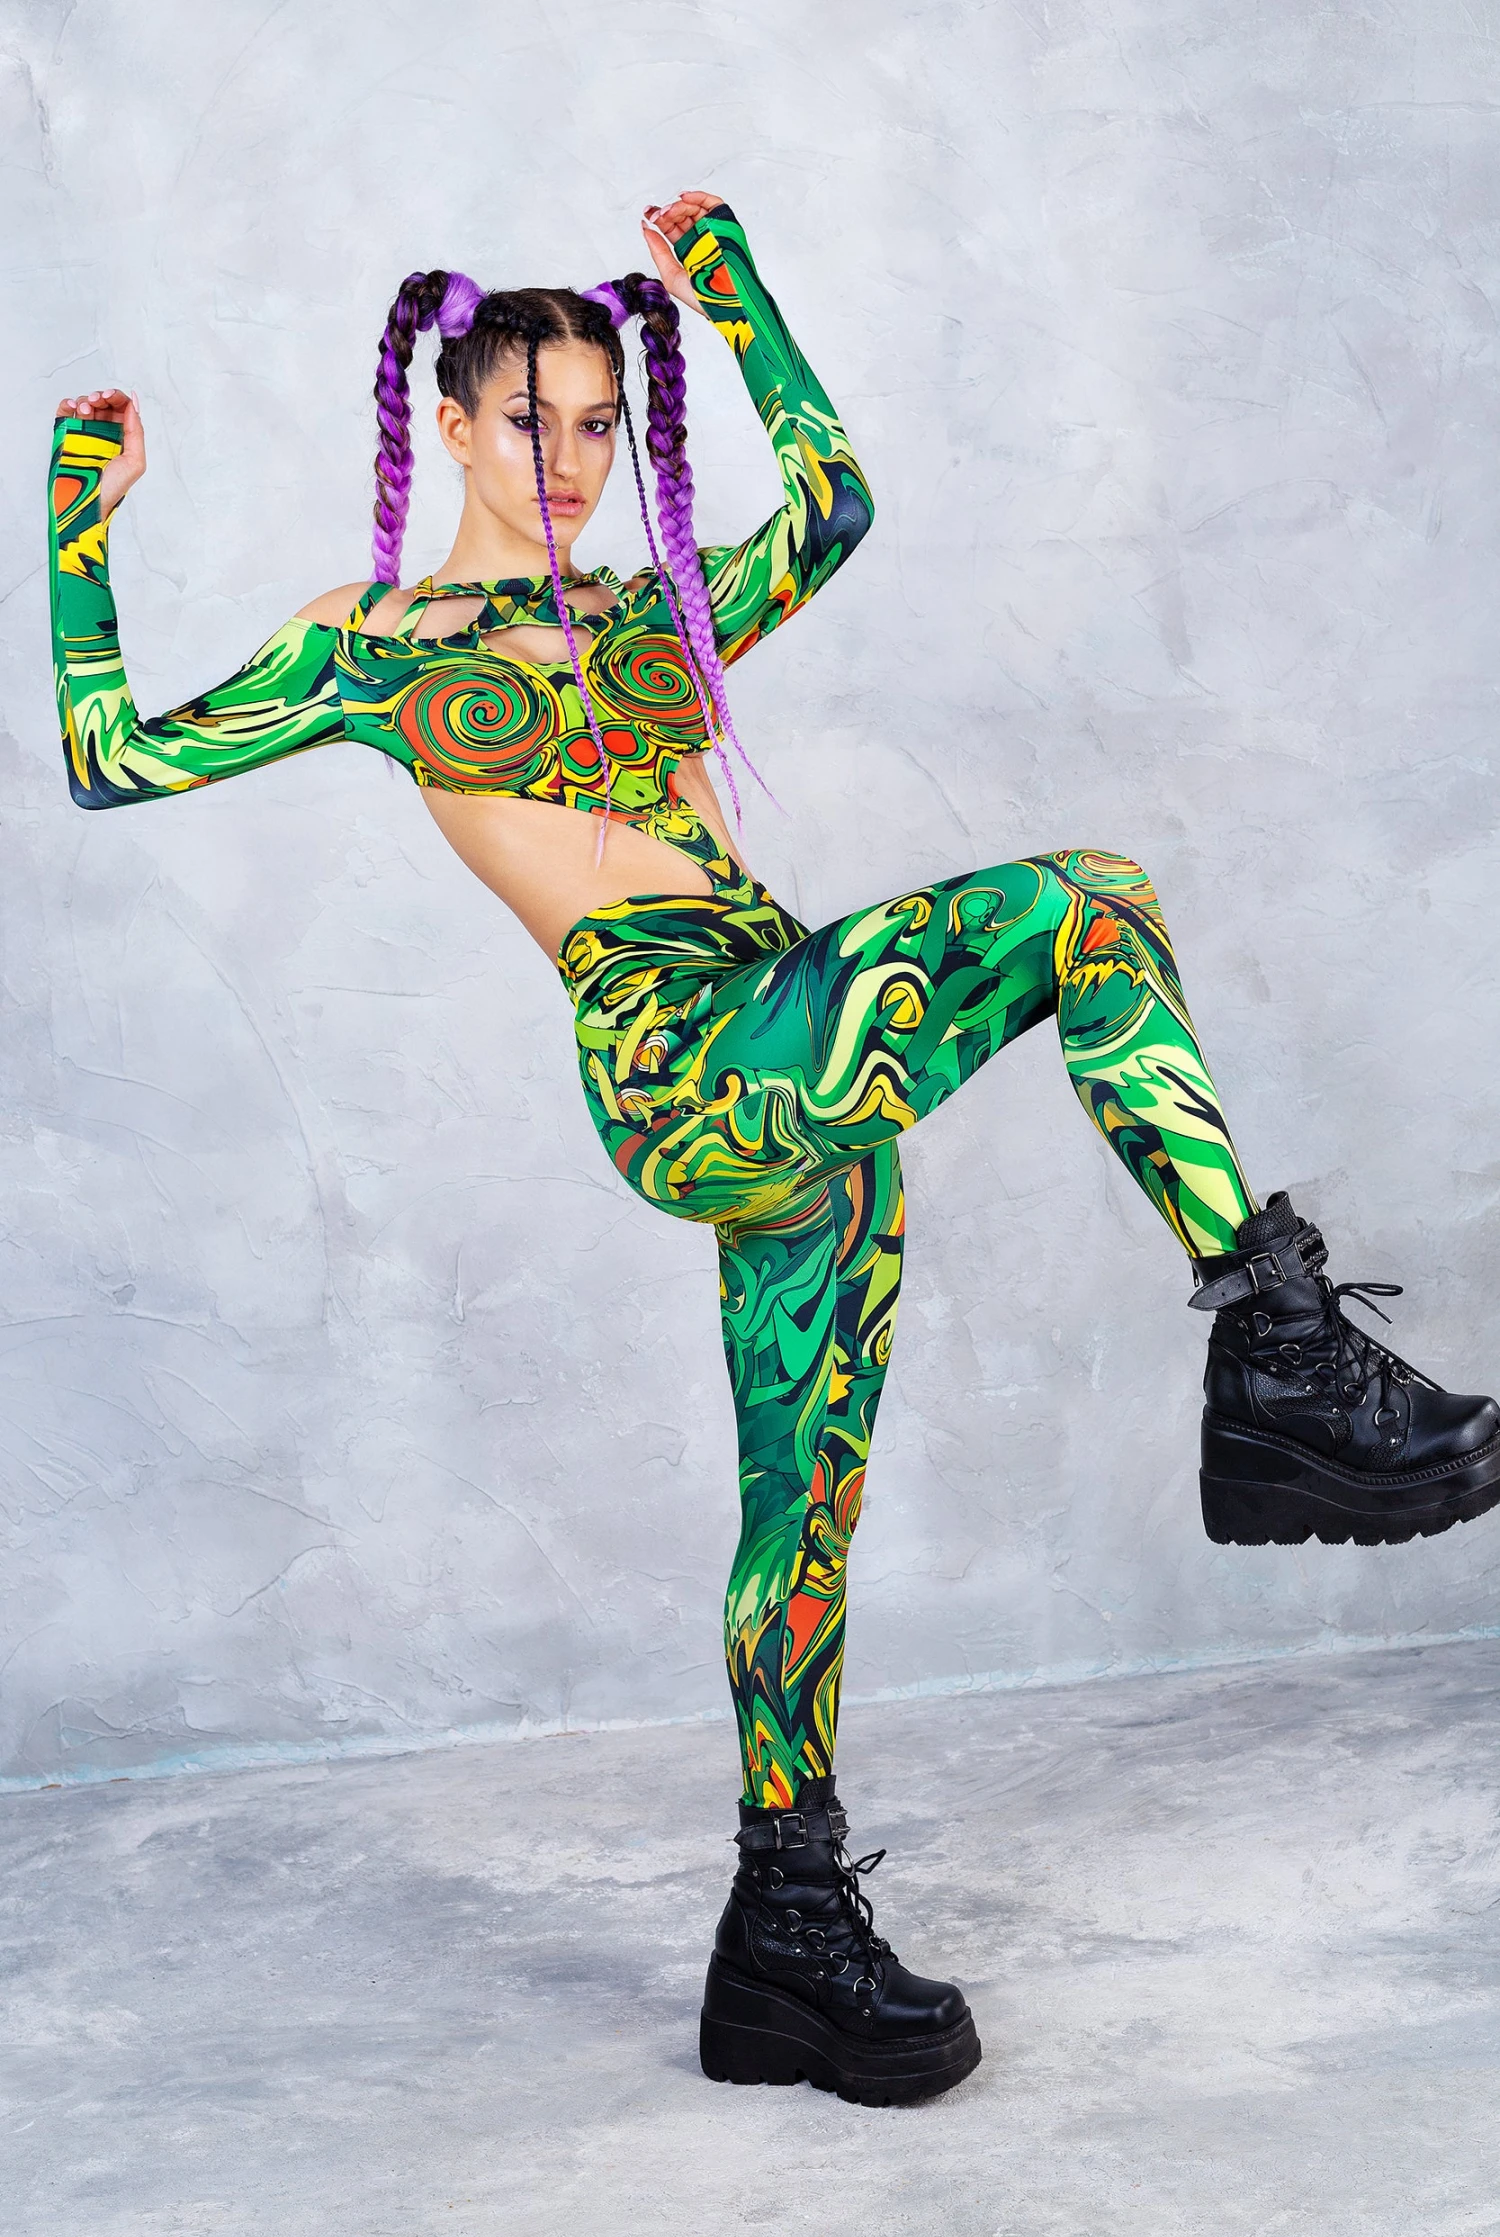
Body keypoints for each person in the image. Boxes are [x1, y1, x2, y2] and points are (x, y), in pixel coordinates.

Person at [49, 190, 1500, 2109]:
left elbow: (833, 505)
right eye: (530, 421)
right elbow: (116, 754)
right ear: (454, 424)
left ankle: (783, 1939)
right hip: (687, 1061)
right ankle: (1284, 1357)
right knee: (1090, 903)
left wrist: (728, 292)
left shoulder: (658, 611)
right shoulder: (371, 646)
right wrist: (79, 520)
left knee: (799, 1524)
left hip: (803, 1052)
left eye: (600, 423)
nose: (570, 462)